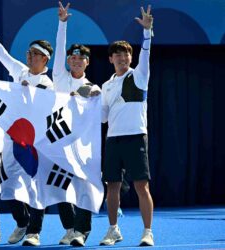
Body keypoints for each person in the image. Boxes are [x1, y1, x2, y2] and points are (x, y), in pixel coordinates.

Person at [0, 11, 54, 246]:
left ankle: (34, 232)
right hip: (11, 138)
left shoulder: (48, 84)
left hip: (34, 143)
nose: (30, 56)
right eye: (29, 53)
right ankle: (22, 222)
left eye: (35, 54)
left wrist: (30, 93)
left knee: (35, 186)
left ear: (45, 59)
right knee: (7, 185)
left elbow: (42, 111)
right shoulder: (19, 71)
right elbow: (1, 54)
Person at [100, 5, 154, 247]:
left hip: (136, 137)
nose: (122, 58)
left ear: (131, 58)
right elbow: (101, 117)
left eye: (126, 54)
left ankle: (147, 232)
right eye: (118, 55)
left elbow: (146, 52)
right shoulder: (106, 85)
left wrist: (147, 32)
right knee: (112, 187)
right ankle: (113, 230)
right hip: (113, 140)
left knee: (141, 186)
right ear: (111, 59)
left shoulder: (139, 75)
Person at [51, 2, 101, 247]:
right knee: (60, 189)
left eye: (81, 58)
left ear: (87, 63)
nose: (76, 61)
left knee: (83, 189)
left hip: (81, 147)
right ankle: (70, 228)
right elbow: (59, 50)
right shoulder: (59, 77)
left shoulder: (93, 87)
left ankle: (82, 231)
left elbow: (96, 98)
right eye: (73, 57)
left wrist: (91, 92)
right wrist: (62, 24)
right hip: (58, 142)